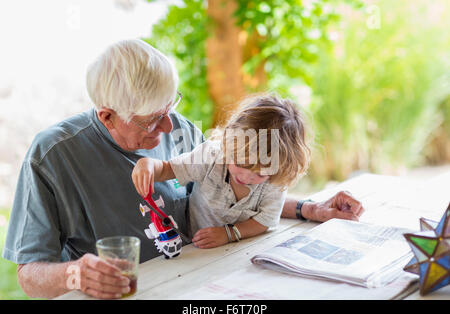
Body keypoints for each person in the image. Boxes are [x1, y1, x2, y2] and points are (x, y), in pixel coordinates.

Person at [2, 39, 364, 300]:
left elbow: (237, 188)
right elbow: (29, 276)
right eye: (152, 120)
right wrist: (75, 274)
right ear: (107, 116)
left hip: (200, 282)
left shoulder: (180, 130)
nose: (168, 127)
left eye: (170, 108)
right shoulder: (52, 156)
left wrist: (309, 209)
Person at [132, 94, 312, 248]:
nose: (246, 177)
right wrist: (148, 165)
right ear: (230, 143)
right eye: (240, 163)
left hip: (238, 251)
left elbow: (265, 221)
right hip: (193, 249)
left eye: (260, 173)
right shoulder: (211, 156)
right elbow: (168, 169)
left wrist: (229, 234)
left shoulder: (275, 182)